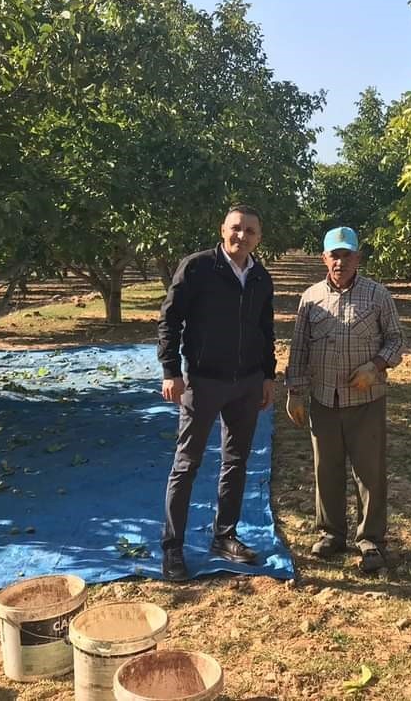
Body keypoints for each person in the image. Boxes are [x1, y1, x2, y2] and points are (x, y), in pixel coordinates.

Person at [157, 205, 276, 582]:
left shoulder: (260, 277)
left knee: (236, 461)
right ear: (223, 229)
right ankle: (172, 548)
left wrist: (268, 375)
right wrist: (171, 371)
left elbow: (265, 329)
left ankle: (224, 536)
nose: (242, 236)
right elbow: (170, 319)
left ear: (259, 237)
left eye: (250, 231)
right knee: (186, 464)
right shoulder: (197, 267)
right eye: (236, 228)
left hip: (246, 383)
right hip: (203, 381)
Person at [285, 227, 404, 574]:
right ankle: (330, 534)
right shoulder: (310, 298)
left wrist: (376, 365)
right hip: (324, 399)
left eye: (347, 254)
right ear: (324, 258)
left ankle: (371, 541)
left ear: (358, 258)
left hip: (366, 399)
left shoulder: (377, 295)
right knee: (326, 470)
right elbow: (300, 349)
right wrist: (295, 392)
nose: (340, 261)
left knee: (369, 473)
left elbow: (396, 340)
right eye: (334, 255)